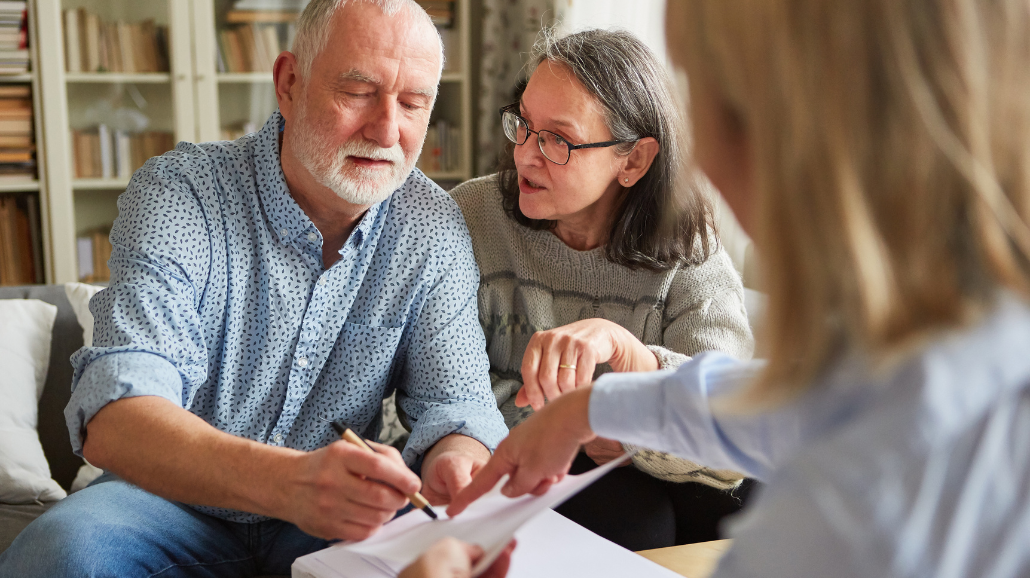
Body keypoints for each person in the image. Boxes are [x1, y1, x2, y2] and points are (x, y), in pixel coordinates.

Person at [449, 1, 1030, 577]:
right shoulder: (953, 345)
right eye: (523, 125)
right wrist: (594, 407)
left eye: (715, 108)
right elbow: (787, 403)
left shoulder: (858, 497)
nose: (700, 158)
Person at [0, 0, 509, 576]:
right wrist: (290, 483)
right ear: (289, 83)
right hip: (165, 503)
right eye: (358, 92)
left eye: (413, 103)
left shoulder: (432, 225)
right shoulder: (182, 193)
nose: (387, 130)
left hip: (331, 518)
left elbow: (457, 405)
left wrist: (456, 460)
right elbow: (116, 417)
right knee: (58, 553)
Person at [447, 28, 754, 550]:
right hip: (522, 457)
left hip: (653, 465)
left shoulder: (687, 240)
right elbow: (449, 390)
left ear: (633, 161)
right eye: (523, 124)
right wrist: (580, 421)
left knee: (738, 507)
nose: (525, 155)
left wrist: (633, 409)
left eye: (558, 140)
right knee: (634, 519)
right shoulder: (471, 218)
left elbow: (731, 421)